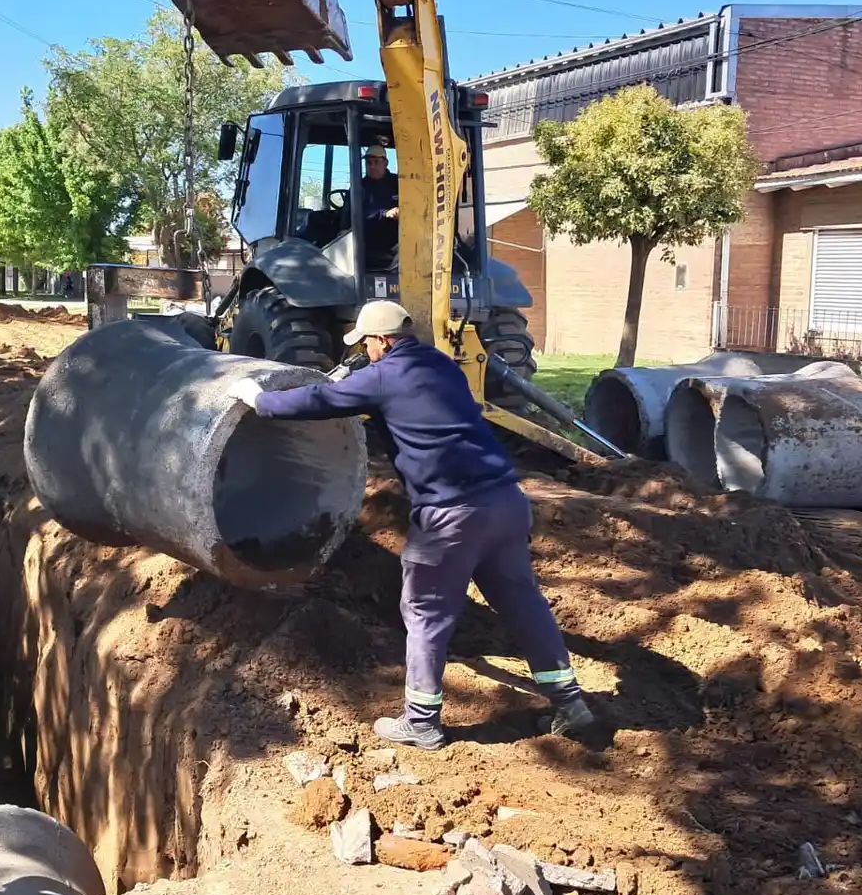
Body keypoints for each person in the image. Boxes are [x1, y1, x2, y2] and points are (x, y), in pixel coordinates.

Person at [226, 301, 595, 751]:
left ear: (381, 340)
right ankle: (569, 701)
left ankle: (421, 722)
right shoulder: (440, 364)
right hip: (505, 501)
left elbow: (318, 401)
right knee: (521, 601)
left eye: (367, 343)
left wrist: (260, 400)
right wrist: (356, 379)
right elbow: (404, 403)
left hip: (450, 515)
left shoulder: (382, 376)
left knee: (425, 611)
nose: (365, 350)